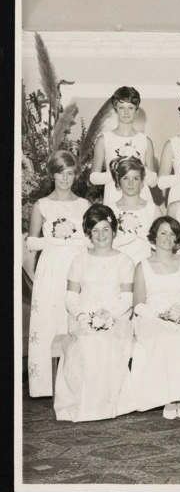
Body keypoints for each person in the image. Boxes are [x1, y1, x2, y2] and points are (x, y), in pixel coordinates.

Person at [54, 205, 137, 422]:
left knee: (104, 341)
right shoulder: (79, 260)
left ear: (114, 231)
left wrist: (109, 317)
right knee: (87, 341)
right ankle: (86, 405)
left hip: (116, 317)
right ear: (89, 233)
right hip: (82, 316)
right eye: (95, 230)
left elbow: (127, 298)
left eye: (105, 229)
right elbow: (71, 297)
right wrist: (82, 317)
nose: (101, 235)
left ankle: (105, 405)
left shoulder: (125, 261)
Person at [26, 150, 91, 397]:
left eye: (70, 173)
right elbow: (32, 242)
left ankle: (76, 380)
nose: (65, 178)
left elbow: (90, 240)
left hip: (76, 266)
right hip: (51, 267)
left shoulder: (83, 205)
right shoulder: (41, 205)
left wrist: (74, 239)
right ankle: (45, 384)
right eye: (60, 173)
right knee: (49, 319)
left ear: (75, 176)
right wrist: (57, 239)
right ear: (52, 174)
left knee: (74, 317)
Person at [130, 216, 180, 420]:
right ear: (154, 236)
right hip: (151, 318)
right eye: (162, 232)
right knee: (165, 339)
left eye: (172, 233)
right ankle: (168, 398)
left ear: (177, 239)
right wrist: (160, 316)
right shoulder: (142, 266)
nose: (167, 237)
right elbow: (138, 304)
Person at [89, 86, 158, 205]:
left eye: (130, 108)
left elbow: (153, 182)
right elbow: (94, 178)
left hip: (141, 198)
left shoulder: (145, 141)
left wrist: (136, 165)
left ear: (136, 111)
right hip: (113, 198)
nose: (126, 112)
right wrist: (120, 170)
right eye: (121, 107)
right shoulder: (104, 140)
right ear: (115, 110)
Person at [109, 156, 165, 264]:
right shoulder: (110, 210)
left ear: (142, 182)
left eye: (135, 178)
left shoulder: (153, 210)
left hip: (145, 264)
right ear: (118, 181)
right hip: (117, 265)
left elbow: (161, 244)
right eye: (125, 178)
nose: (131, 183)